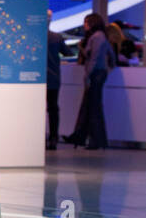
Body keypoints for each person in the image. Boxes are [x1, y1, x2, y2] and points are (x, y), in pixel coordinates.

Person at [62, 12, 114, 151]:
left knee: (93, 108)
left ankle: (93, 140)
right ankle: (82, 136)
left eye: (86, 22)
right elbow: (110, 54)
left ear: (91, 23)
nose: (84, 25)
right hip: (98, 74)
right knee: (90, 107)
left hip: (95, 75)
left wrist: (88, 76)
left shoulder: (96, 37)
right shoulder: (101, 37)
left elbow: (94, 58)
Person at [46, 11, 74, 149]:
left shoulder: (35, 37)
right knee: (53, 110)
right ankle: (53, 138)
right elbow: (69, 53)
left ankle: (41, 139)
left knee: (41, 111)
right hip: (53, 78)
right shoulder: (56, 37)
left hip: (39, 80)